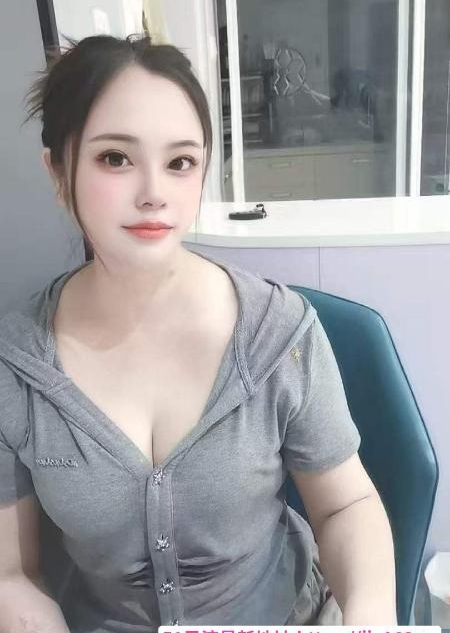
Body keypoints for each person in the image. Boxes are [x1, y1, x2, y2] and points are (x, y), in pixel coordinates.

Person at [0, 35, 397, 632]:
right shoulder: (17, 366)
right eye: (116, 158)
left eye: (180, 162)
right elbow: (12, 572)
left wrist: (370, 613)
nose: (153, 193)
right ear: (58, 172)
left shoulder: (278, 337)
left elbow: (346, 504)